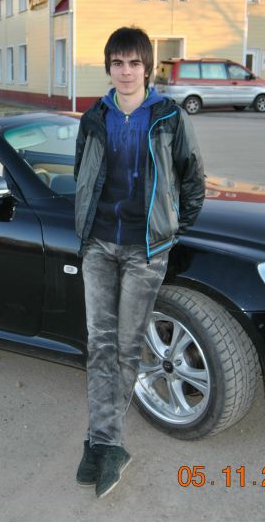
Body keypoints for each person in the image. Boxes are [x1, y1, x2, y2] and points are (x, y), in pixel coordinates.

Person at [73, 26, 205, 498]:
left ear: (147, 67)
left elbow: (192, 179)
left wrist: (171, 227)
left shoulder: (167, 116)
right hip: (99, 245)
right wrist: (85, 229)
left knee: (126, 348)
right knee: (99, 345)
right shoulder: (94, 118)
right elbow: (83, 176)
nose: (126, 72)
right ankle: (103, 440)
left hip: (144, 251)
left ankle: (105, 442)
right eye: (117, 63)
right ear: (108, 67)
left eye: (134, 63)